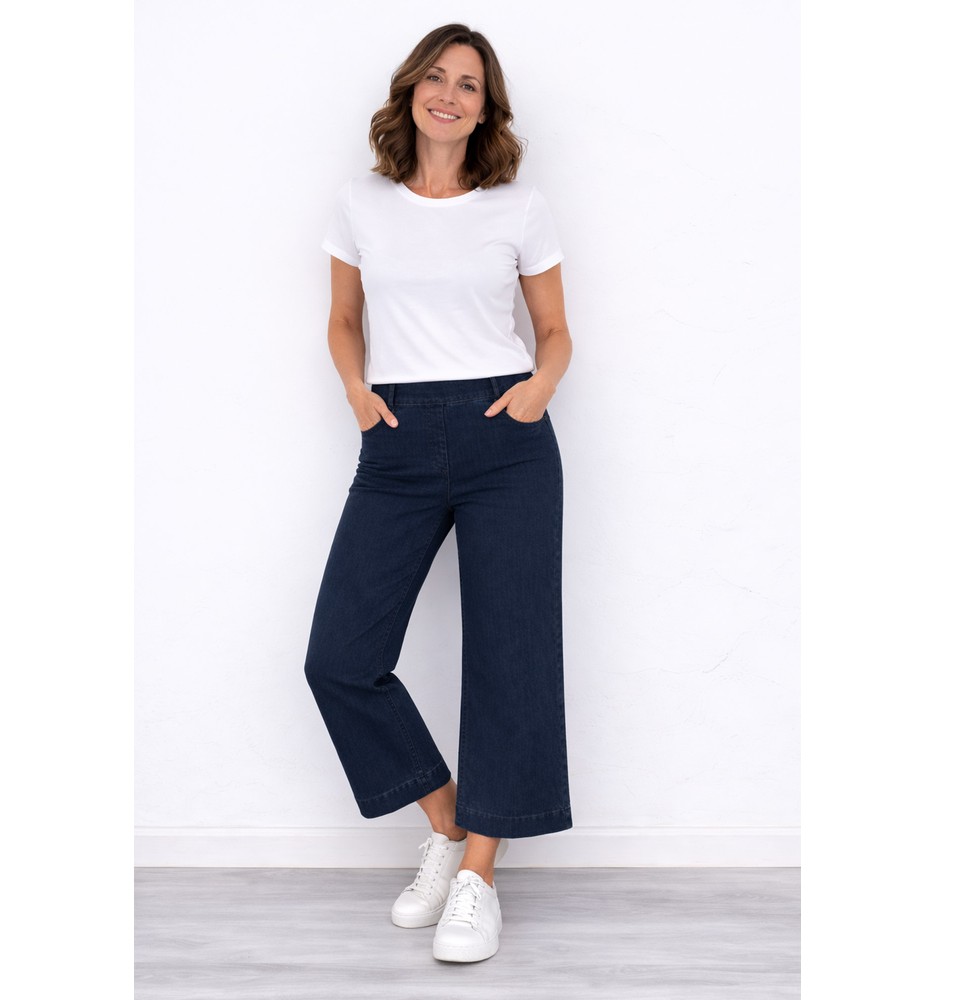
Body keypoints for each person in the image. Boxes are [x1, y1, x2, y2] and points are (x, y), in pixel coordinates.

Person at [303, 23, 574, 964]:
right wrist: (357, 392)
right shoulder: (361, 203)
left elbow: (555, 331)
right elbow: (344, 317)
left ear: (486, 108)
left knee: (510, 658)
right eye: (436, 77)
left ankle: (478, 880)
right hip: (398, 437)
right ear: (411, 89)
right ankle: (451, 824)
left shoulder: (519, 206)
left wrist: (538, 391)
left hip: (507, 436)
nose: (449, 95)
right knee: (340, 657)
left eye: (469, 84)